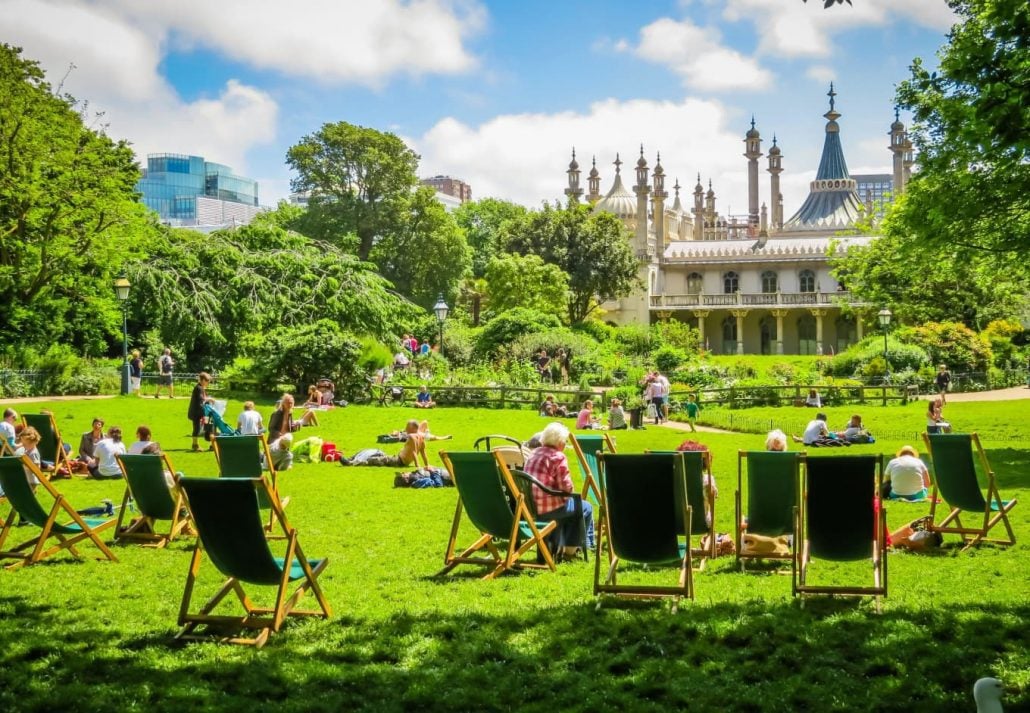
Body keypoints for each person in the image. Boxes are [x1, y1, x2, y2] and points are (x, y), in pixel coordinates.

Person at [522, 421, 594, 560]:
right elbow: (566, 488)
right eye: (565, 442)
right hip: (550, 508)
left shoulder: (534, 453)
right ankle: (572, 551)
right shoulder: (557, 456)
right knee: (585, 507)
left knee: (574, 508)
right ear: (560, 442)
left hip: (531, 507)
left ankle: (567, 549)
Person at [340, 419, 428, 468]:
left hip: (399, 461)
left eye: (407, 427)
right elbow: (423, 453)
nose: (406, 429)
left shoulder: (412, 437)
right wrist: (427, 465)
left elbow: (414, 453)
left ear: (413, 429)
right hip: (397, 458)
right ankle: (350, 458)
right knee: (374, 452)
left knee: (374, 460)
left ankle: (351, 463)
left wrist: (418, 467)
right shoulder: (421, 438)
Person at [675, 439, 718, 525]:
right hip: (702, 523)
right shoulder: (707, 481)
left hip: (676, 522)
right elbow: (714, 497)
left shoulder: (674, 480)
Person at [188, 372, 214, 452]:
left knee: (208, 424)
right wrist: (209, 399)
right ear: (202, 380)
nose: (208, 382)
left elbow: (203, 398)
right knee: (199, 427)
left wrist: (208, 398)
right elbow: (201, 399)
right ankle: (196, 445)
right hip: (197, 412)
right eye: (207, 380)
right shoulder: (198, 388)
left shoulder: (200, 388)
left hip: (200, 411)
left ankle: (208, 442)